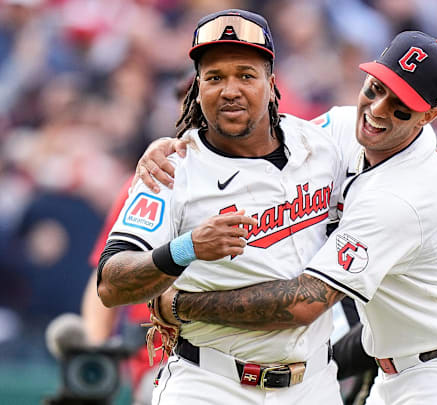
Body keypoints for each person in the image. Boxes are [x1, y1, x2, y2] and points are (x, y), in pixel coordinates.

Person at [141, 30, 437, 405]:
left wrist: (181, 305)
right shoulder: (344, 127)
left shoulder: (402, 195)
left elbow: (305, 301)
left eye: (401, 106)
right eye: (376, 88)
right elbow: (262, 138)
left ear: (429, 116)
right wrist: (179, 145)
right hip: (400, 371)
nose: (378, 109)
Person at [96, 9, 346, 404]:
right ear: (197, 87)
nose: (230, 89)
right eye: (214, 77)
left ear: (271, 82)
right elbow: (110, 284)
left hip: (314, 383)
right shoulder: (171, 169)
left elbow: (392, 128)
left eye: (246, 74)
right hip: (211, 383)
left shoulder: (324, 143)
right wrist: (186, 248)